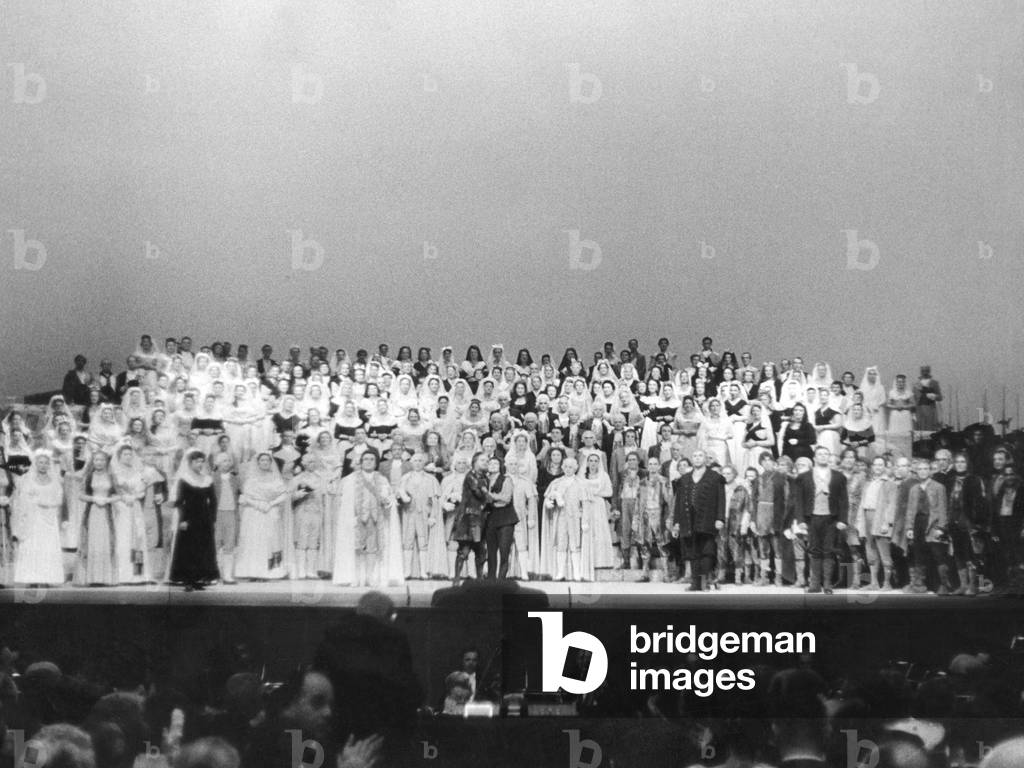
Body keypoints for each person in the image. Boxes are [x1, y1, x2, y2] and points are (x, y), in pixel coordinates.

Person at [792, 446, 849, 594]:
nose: (823, 456)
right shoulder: (803, 477)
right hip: (812, 518)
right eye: (820, 454)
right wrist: (800, 520)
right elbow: (799, 500)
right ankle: (815, 584)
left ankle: (828, 585)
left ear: (829, 457)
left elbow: (844, 500)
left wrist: (843, 519)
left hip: (831, 518)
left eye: (826, 454)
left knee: (828, 551)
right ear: (814, 458)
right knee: (814, 551)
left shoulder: (838, 476)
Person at [672, 449, 725, 591]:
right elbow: (678, 502)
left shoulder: (715, 477)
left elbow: (721, 499)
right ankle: (695, 582)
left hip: (708, 518)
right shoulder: (684, 479)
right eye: (694, 456)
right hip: (688, 519)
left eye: (700, 455)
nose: (697, 458)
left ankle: (704, 580)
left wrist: (720, 518)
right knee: (692, 551)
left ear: (705, 458)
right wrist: (676, 522)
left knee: (707, 550)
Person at [11, 449, 66, 586]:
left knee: (48, 546)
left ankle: (48, 578)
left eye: (46, 463)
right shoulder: (28, 480)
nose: (43, 465)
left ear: (49, 465)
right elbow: (23, 499)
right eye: (40, 463)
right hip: (33, 518)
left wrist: (47, 504)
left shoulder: (54, 481)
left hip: (49, 518)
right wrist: (34, 503)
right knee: (33, 546)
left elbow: (59, 499)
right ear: (36, 464)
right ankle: (32, 578)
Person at [168, 449, 219, 591]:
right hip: (189, 518)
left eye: (202, 461)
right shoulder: (184, 479)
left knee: (203, 549)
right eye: (197, 461)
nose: (200, 464)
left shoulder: (207, 479)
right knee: (188, 549)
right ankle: (188, 580)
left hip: (204, 519)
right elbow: (180, 501)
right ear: (190, 463)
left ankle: (199, 579)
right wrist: (183, 520)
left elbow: (213, 501)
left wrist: (213, 519)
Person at [235, 452, 291, 581]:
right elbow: (245, 497)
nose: (265, 462)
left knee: (268, 540)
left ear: (270, 462)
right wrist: (258, 504)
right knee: (253, 541)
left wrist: (271, 504)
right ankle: (253, 571)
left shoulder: (276, 479)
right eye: (262, 460)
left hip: (269, 512)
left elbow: (283, 494)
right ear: (258, 462)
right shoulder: (250, 479)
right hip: (254, 513)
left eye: (267, 460)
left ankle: (267, 572)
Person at [904, 458, 951, 594]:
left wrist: (941, 527)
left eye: (926, 469)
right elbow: (910, 510)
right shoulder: (914, 489)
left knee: (937, 554)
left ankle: (943, 584)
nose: (923, 472)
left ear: (930, 471)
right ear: (916, 472)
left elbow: (942, 508)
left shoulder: (938, 487)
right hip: (918, 523)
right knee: (918, 553)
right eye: (920, 469)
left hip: (933, 523)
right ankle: (919, 584)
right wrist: (909, 528)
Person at [75, 450, 118, 586]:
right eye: (96, 460)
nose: (99, 462)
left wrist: (107, 500)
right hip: (93, 513)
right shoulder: (89, 477)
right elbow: (80, 495)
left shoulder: (111, 476)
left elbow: (118, 494)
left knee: (105, 541)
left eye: (102, 460)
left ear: (106, 462)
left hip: (106, 512)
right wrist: (94, 498)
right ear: (93, 462)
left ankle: (105, 578)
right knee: (92, 542)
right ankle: (91, 577)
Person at [396, 452, 441, 579]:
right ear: (411, 462)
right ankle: (407, 571)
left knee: (423, 542)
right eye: (415, 460)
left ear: (424, 463)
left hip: (423, 514)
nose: (417, 463)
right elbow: (398, 495)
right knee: (407, 541)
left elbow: (434, 501)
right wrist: (401, 496)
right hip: (408, 514)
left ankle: (423, 571)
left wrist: (433, 516)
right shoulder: (405, 478)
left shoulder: (431, 479)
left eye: (420, 460)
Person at [451, 452, 489, 585]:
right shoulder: (471, 476)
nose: (486, 462)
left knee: (481, 551)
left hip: (480, 518)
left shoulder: (484, 477)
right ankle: (456, 580)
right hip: (469, 518)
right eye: (482, 460)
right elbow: (479, 493)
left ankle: (479, 581)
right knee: (464, 551)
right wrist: (488, 495)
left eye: (487, 460)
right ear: (475, 462)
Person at [482, 456, 517, 580]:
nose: (492, 465)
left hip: (505, 518)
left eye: (496, 463)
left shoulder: (506, 479)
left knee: (504, 551)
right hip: (490, 517)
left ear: (500, 465)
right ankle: (491, 579)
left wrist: (489, 495)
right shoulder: (483, 480)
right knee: (491, 552)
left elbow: (506, 498)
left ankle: (501, 580)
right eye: (490, 463)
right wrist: (496, 498)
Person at [913, 365, 943, 431]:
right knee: (920, 428)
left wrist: (934, 396)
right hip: (919, 410)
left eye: (926, 370)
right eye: (923, 371)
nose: (925, 372)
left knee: (931, 428)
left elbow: (940, 397)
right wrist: (913, 412)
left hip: (931, 409)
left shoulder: (934, 383)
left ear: (929, 371)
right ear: (921, 372)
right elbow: (914, 399)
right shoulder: (916, 384)